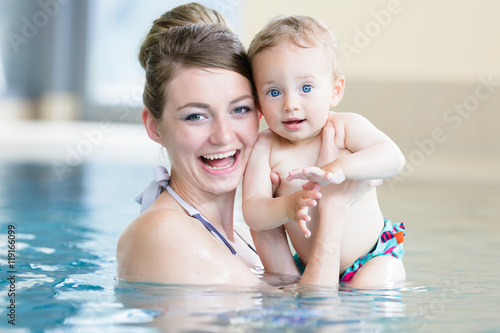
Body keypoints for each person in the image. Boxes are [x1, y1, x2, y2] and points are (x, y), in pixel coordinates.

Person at [116, 3, 379, 288]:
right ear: (154, 127)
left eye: (239, 110)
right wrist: (333, 208)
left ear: (260, 112)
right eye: (196, 116)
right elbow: (318, 321)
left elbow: (291, 312)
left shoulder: (243, 237)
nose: (223, 136)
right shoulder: (162, 233)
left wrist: (270, 233)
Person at [242, 15, 407, 287]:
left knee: (370, 289)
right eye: (273, 92)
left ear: (335, 90)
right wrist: (286, 206)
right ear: (257, 101)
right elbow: (253, 211)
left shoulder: (344, 127)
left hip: (374, 257)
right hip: (310, 266)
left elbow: (393, 158)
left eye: (306, 88)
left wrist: (341, 168)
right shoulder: (265, 147)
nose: (290, 104)